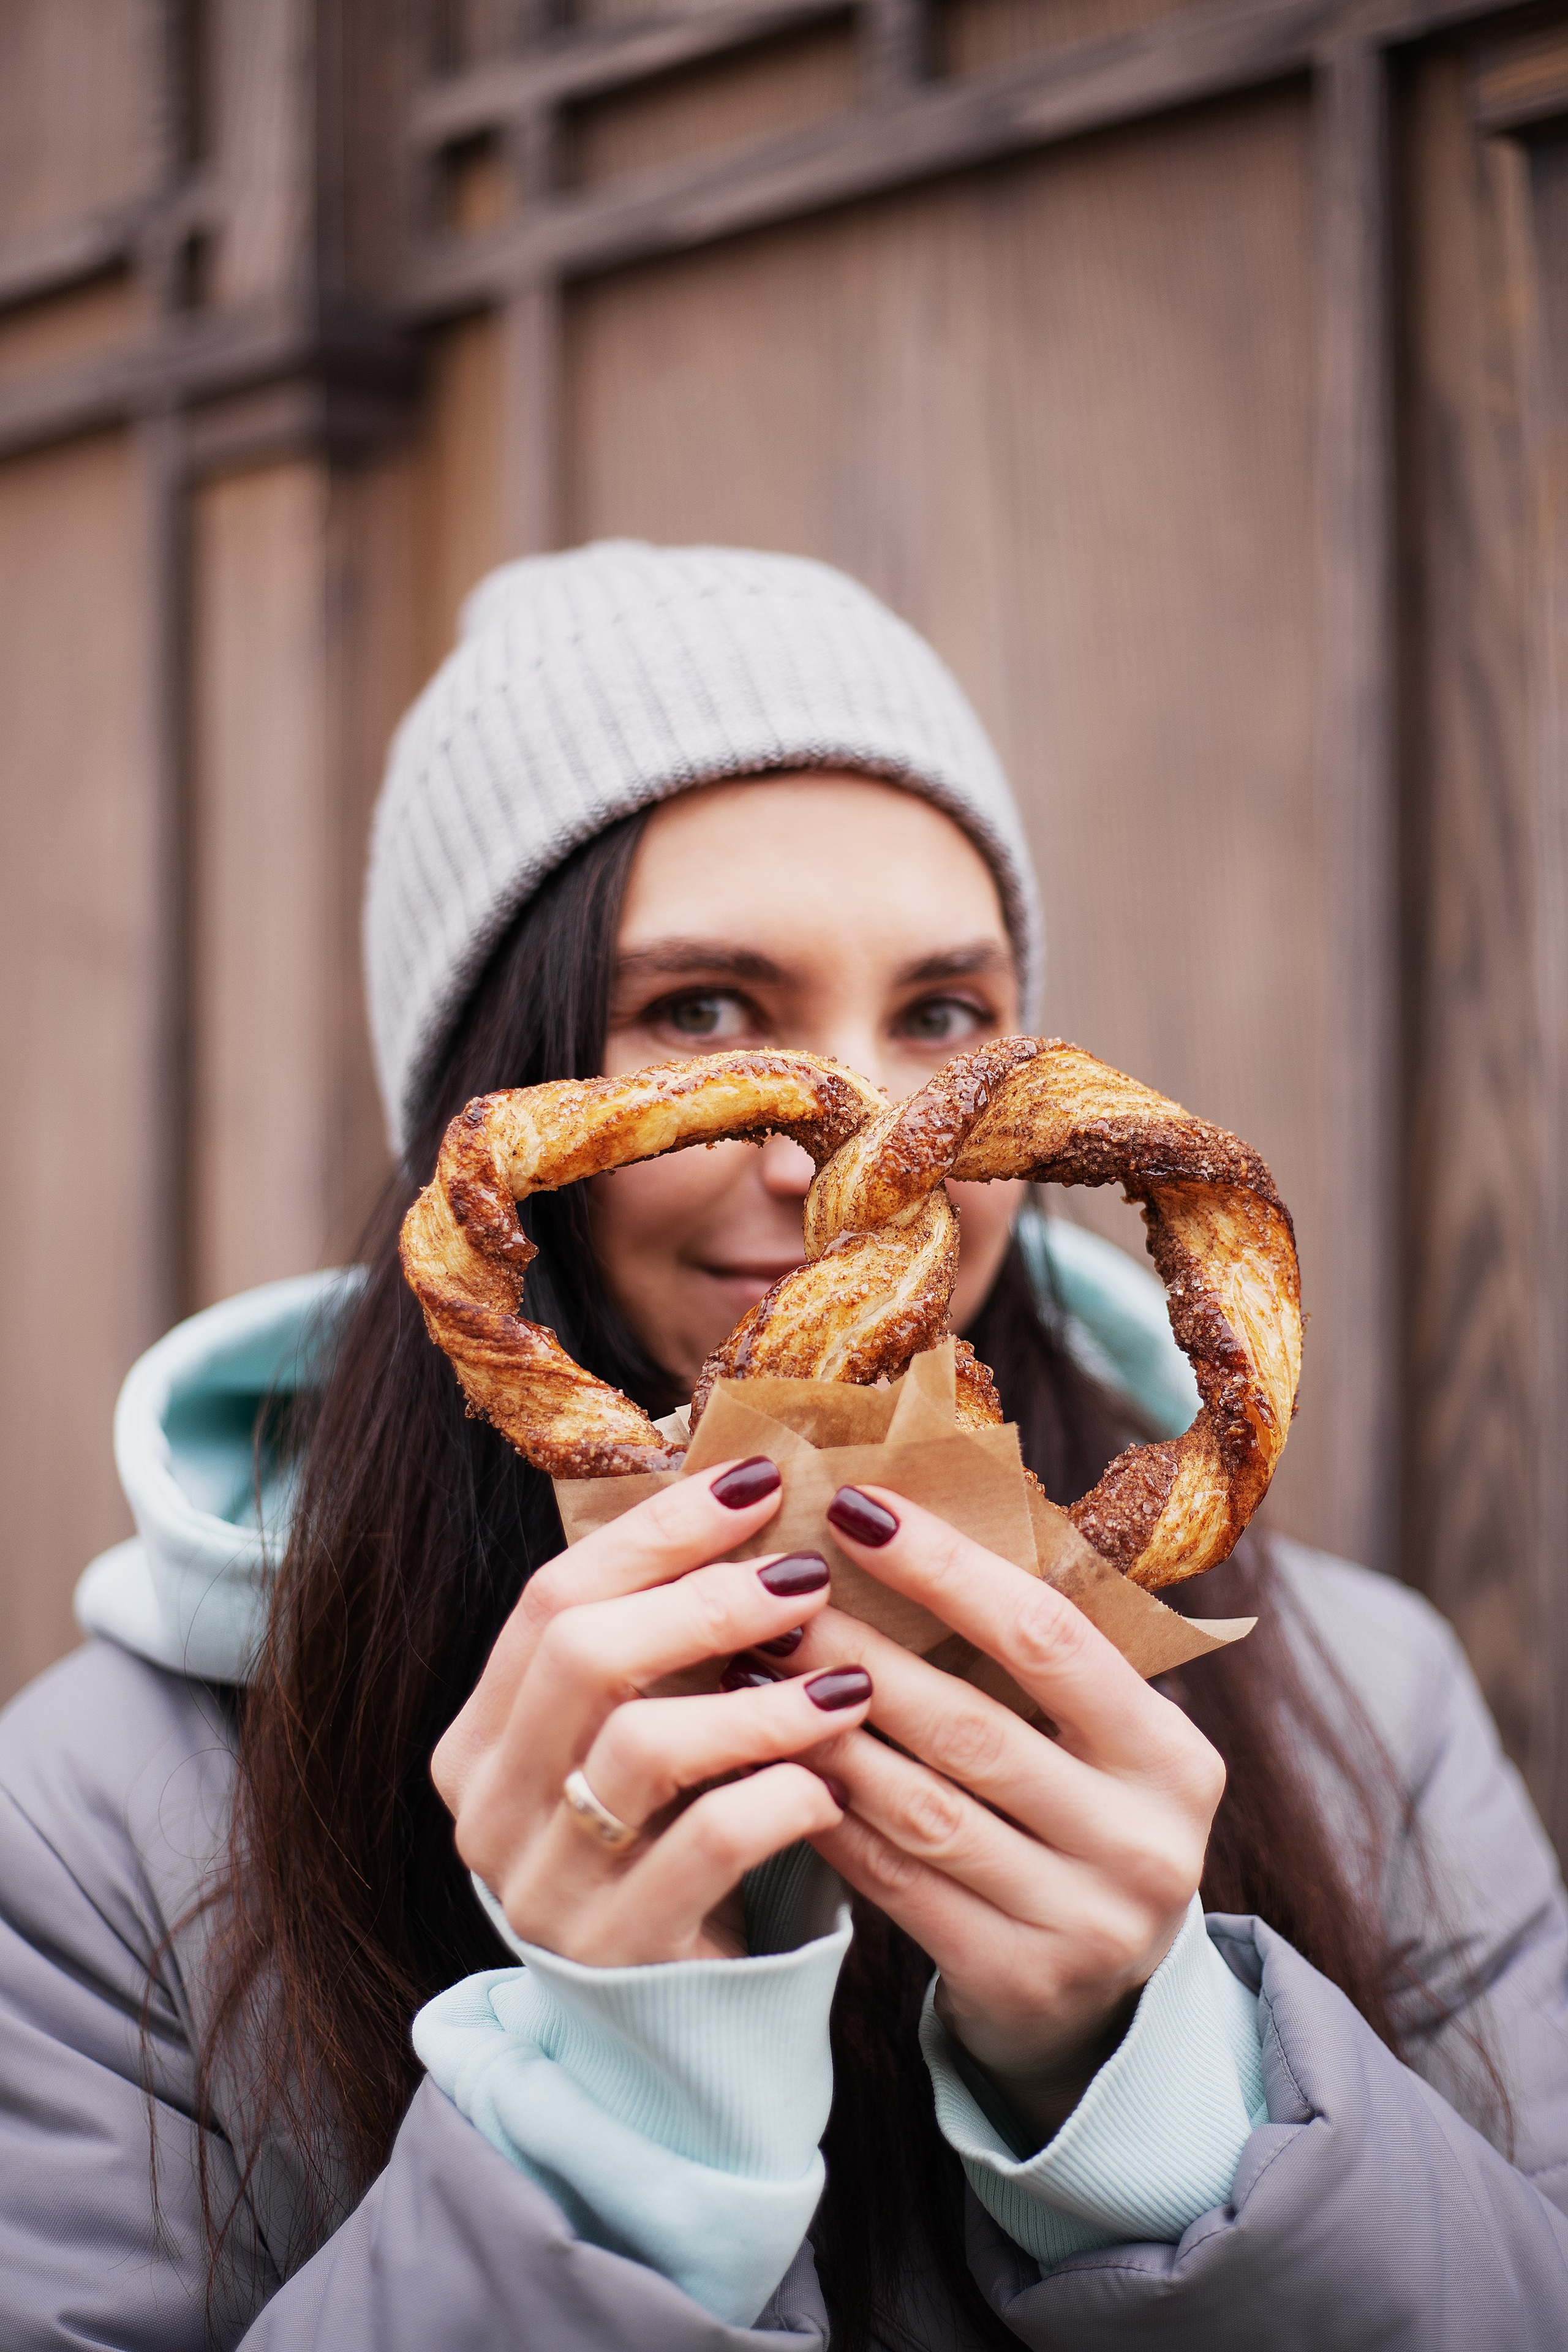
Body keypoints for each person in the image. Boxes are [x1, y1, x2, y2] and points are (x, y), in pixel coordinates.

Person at [2, 541, 1566, 2351]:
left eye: (944, 1015)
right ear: (500, 1109)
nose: (846, 1155)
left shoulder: (1368, 1700)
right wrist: (612, 2139)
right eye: (704, 1011)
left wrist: (1167, 2116)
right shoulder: (97, 1828)